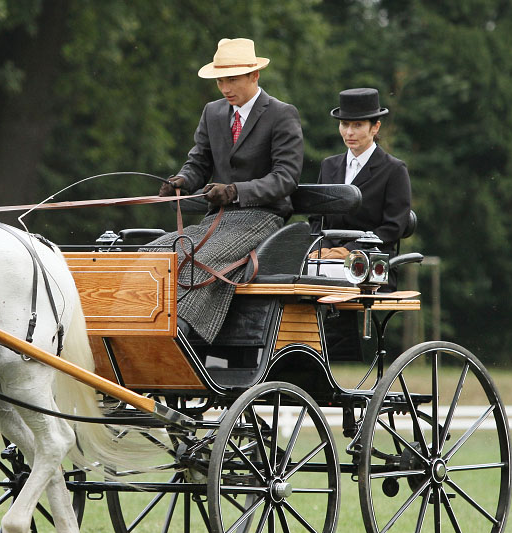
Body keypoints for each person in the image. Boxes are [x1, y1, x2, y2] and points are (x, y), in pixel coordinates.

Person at [151, 37, 303, 344]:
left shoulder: (281, 114)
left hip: (262, 217)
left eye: (232, 80)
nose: (225, 88)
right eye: (220, 80)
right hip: (217, 219)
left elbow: (285, 178)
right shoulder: (213, 112)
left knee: (201, 256)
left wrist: (235, 191)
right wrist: (180, 181)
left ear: (254, 75)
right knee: (158, 251)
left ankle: (182, 327)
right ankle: (145, 318)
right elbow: (197, 163)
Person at [312, 88, 412, 259]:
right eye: (344, 124)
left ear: (375, 127)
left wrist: (350, 250)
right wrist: (322, 247)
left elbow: (392, 227)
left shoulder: (394, 170)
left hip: (371, 262)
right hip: (326, 260)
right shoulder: (329, 165)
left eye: (358, 125)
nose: (349, 132)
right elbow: (317, 218)